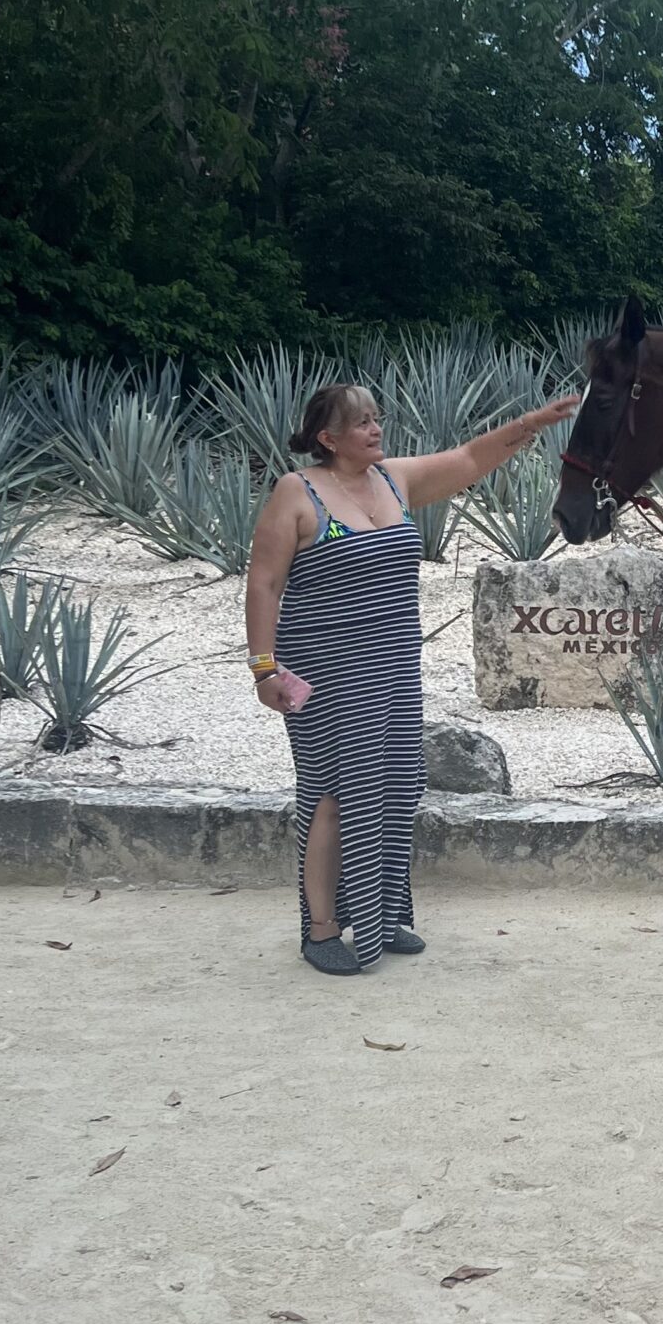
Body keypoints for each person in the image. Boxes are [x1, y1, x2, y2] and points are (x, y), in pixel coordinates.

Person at [245, 380, 578, 976]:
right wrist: (264, 669)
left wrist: (535, 422)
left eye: (377, 418)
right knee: (332, 793)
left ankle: (380, 912)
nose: (376, 429)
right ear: (328, 438)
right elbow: (264, 584)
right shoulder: (297, 493)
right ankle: (322, 928)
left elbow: (472, 459)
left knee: (395, 785)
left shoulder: (393, 479)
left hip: (393, 667)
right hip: (324, 669)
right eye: (361, 423)